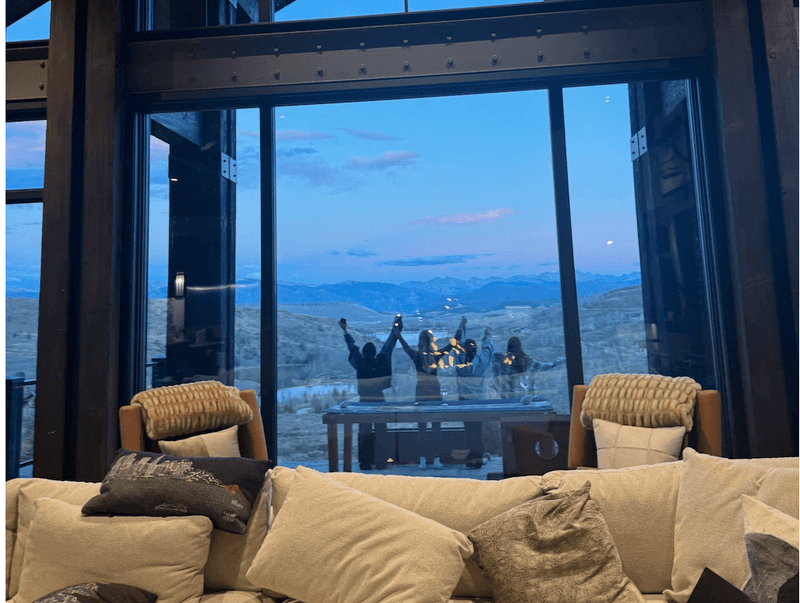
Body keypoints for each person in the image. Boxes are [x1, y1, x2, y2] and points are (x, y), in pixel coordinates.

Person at [339, 315, 402, 469]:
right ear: (374, 352)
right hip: (379, 399)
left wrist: (345, 330)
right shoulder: (381, 362)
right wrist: (396, 328)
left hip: (364, 401)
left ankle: (365, 462)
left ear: (364, 353)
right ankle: (382, 462)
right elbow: (389, 346)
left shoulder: (360, 363)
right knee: (381, 431)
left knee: (364, 432)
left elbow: (352, 348)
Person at [396, 327, 455, 469]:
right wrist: (461, 327)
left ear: (420, 342)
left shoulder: (416, 356)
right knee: (436, 428)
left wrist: (397, 334)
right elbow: (452, 345)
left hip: (421, 393)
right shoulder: (436, 355)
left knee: (421, 428)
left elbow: (405, 346)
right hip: (435, 392)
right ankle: (437, 460)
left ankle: (422, 460)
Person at [450, 316, 494, 468]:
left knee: (469, 430)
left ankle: (471, 459)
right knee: (479, 430)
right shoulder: (481, 362)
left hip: (464, 401)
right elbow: (488, 349)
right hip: (479, 401)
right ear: (475, 349)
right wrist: (488, 335)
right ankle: (478, 459)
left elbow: (458, 344)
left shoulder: (459, 362)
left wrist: (462, 325)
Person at [494, 336, 565, 399]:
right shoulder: (528, 361)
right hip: (525, 399)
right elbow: (547, 366)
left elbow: (492, 356)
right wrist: (561, 360)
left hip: (508, 399)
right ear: (520, 346)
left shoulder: (501, 361)